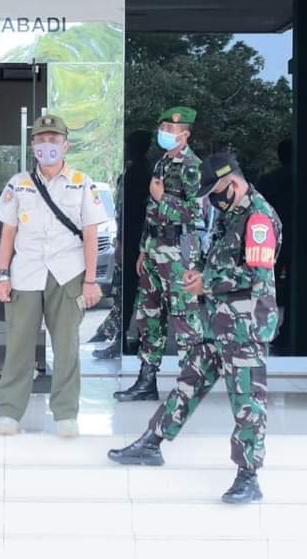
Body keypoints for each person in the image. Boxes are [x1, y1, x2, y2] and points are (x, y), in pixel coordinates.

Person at [108, 153, 281, 504]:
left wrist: (208, 282)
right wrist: (200, 273)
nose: (212, 200)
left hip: (245, 328)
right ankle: (152, 442)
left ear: (232, 183)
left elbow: (257, 275)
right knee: (190, 381)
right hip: (219, 323)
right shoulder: (233, 214)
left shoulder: (258, 217)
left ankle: (249, 476)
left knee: (248, 401)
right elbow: (222, 259)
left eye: (215, 192)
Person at [0, 114, 108, 437]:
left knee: (66, 347)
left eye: (54, 140)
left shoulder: (82, 183)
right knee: (19, 346)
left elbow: (91, 234)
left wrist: (90, 280)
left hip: (68, 274)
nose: (47, 145)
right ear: (32, 145)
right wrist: (2, 275)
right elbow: (8, 233)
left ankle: (66, 413)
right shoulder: (19, 183)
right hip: (25, 273)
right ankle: (9, 412)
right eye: (41, 140)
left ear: (65, 145)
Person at [114, 107, 203, 402]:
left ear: (185, 134)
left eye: (170, 129)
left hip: (179, 253)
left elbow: (196, 212)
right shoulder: (162, 163)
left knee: (184, 318)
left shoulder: (192, 166)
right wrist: (143, 248)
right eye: (162, 128)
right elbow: (150, 212)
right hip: (154, 250)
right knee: (148, 316)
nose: (163, 133)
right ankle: (146, 381)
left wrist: (162, 197)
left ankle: (190, 385)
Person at [91, 129, 153, 359]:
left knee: (128, 290)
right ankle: (120, 336)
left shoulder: (140, 172)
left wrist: (124, 242)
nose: (126, 149)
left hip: (135, 239)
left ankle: (123, 341)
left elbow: (132, 211)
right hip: (132, 237)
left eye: (128, 145)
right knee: (126, 290)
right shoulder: (137, 169)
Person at [257, 138, 292, 351]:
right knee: (294, 290)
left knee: (265, 286)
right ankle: (288, 332)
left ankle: (263, 330)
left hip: (270, 240)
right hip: (296, 243)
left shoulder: (269, 180)